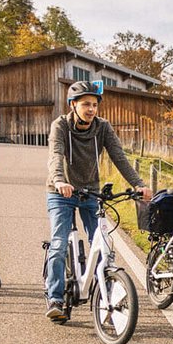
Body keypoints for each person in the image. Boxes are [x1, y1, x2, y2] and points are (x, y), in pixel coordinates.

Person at [45, 79, 150, 322]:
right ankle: (55, 298)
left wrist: (139, 183)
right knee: (59, 244)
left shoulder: (102, 127)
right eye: (85, 104)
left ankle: (108, 297)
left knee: (102, 244)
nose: (91, 109)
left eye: (94, 105)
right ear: (73, 105)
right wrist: (60, 181)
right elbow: (55, 156)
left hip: (91, 192)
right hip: (60, 192)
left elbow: (119, 157)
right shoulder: (60, 125)